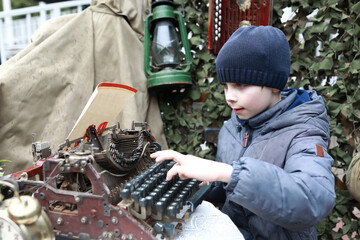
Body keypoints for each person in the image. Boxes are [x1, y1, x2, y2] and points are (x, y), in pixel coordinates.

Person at [151, 26, 335, 240]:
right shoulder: (233, 127)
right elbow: (228, 189)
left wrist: (228, 173)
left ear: (274, 85)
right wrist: (200, 182)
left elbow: (314, 199)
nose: (230, 97)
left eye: (240, 84)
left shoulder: (304, 131)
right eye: (226, 86)